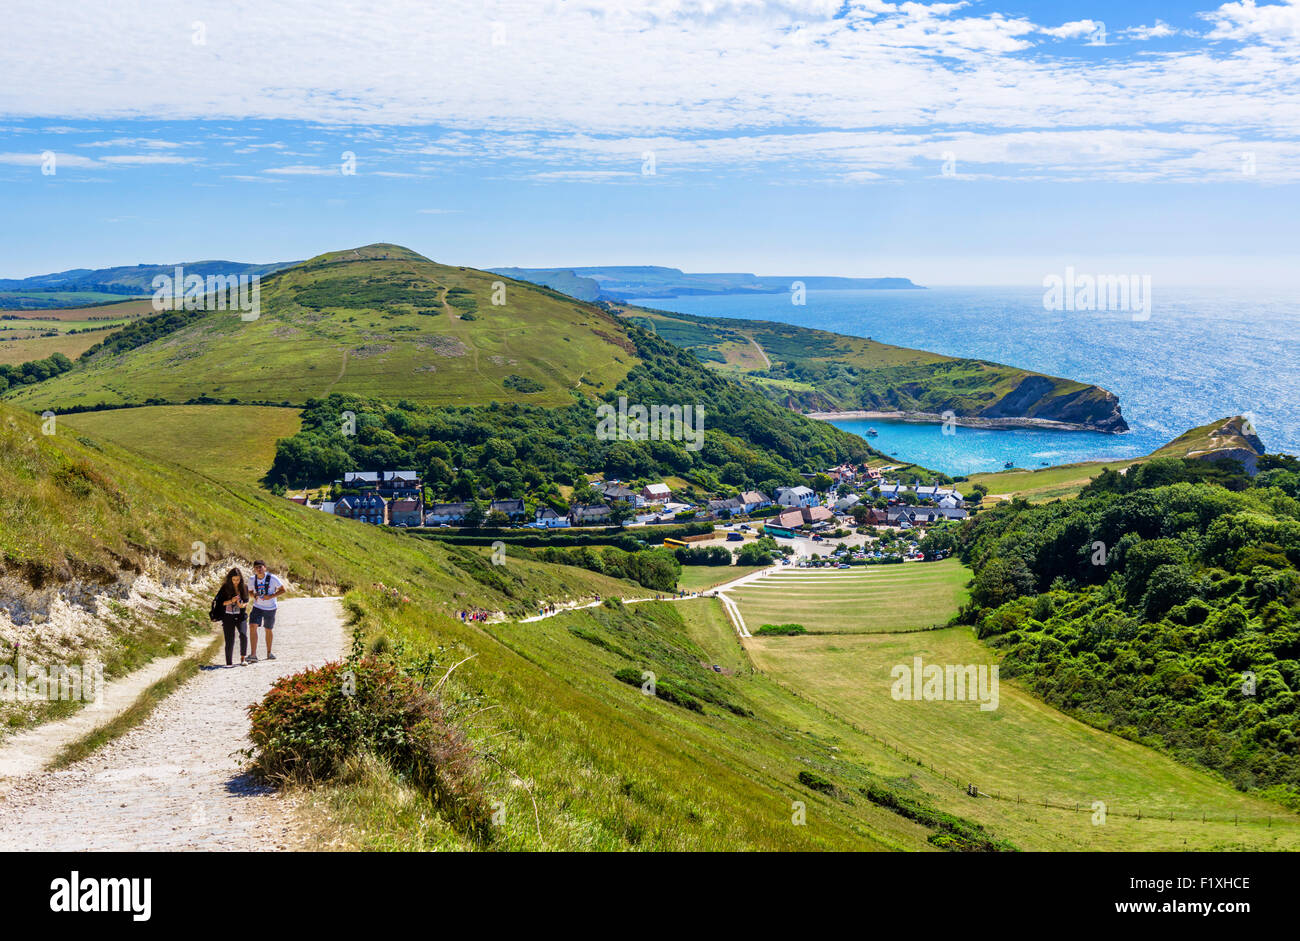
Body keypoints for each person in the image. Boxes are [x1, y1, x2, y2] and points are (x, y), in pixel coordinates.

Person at [247, 560, 286, 662]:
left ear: (265, 567)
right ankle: (253, 654)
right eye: (256, 568)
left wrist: (271, 596)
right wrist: (254, 595)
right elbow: (250, 591)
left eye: (260, 567)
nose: (258, 569)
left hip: (270, 608)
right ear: (254, 569)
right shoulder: (252, 579)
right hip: (257, 607)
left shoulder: (273, 578)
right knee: (252, 626)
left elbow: (283, 590)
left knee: (268, 629)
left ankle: (269, 653)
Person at [213, 568, 250, 667]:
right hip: (227, 616)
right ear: (230, 579)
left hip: (241, 616)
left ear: (241, 579)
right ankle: (229, 662)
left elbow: (246, 601)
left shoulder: (244, 587)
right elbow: (220, 603)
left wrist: (242, 605)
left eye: (238, 579)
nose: (236, 582)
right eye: (234, 580)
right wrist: (231, 601)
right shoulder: (225, 587)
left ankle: (243, 659)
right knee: (229, 639)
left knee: (243, 635)